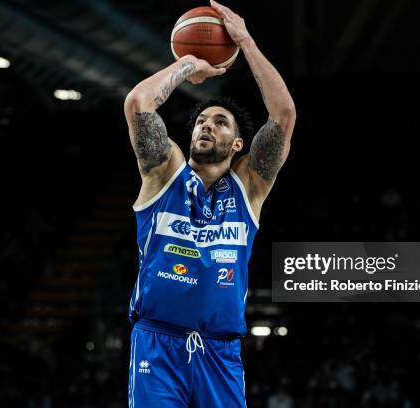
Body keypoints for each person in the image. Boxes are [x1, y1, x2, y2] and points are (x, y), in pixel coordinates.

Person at [124, 1, 296, 406]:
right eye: (202, 120)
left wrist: (245, 43)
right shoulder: (163, 174)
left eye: (220, 122)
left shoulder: (248, 187)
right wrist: (187, 64)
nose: (207, 125)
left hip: (220, 353)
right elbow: (138, 104)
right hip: (157, 344)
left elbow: (284, 116)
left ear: (238, 145)